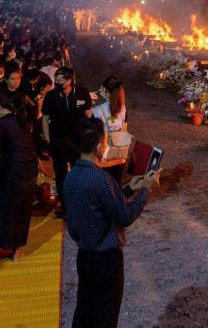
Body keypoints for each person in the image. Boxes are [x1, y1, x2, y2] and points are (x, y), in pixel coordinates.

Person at [64, 118, 157, 328]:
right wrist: (146, 189)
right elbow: (124, 215)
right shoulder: (100, 179)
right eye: (105, 141)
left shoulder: (71, 178)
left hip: (85, 255)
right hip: (106, 259)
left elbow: (97, 204)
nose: (106, 145)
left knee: (85, 309)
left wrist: (128, 189)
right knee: (105, 314)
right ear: (99, 147)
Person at [41, 67, 93, 215]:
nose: (56, 83)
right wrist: (49, 140)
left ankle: (81, 204)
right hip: (58, 141)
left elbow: (88, 115)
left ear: (69, 80)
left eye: (59, 81)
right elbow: (45, 119)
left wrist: (87, 136)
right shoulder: (51, 96)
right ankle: (65, 207)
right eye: (55, 81)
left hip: (77, 142)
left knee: (79, 173)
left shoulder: (82, 93)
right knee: (61, 175)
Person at [0, 92, 38, 261]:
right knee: (22, 209)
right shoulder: (20, 120)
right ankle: (17, 249)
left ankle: (8, 244)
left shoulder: (4, 124)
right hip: (28, 169)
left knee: (8, 209)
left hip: (13, 172)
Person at [92, 76, 128, 184]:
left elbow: (95, 136)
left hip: (104, 159)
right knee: (117, 188)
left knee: (104, 190)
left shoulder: (98, 110)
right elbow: (125, 131)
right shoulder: (123, 109)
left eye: (101, 88)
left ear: (105, 90)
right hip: (120, 156)